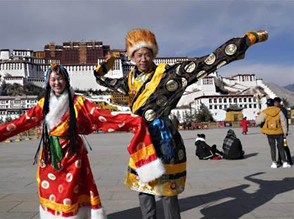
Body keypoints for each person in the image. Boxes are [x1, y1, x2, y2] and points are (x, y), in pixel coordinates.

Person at [94, 28, 268, 218]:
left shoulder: (169, 74)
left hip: (165, 140)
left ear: (153, 55)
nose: (143, 59)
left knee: (167, 191)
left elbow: (206, 63)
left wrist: (246, 41)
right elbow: (103, 80)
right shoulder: (129, 80)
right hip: (142, 141)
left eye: (147, 54)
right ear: (132, 57)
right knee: (143, 190)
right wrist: (104, 67)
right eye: (138, 55)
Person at [0, 63, 165, 219]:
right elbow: (20, 123)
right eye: (53, 79)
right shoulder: (43, 105)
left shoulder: (78, 102)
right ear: (48, 82)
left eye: (60, 78)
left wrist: (132, 121)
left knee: (71, 195)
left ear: (66, 80)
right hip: (50, 158)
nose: (56, 83)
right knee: (50, 194)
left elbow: (102, 115)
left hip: (73, 158)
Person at [255, 98, 290, 168]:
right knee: (281, 147)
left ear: (267, 105)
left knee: (272, 147)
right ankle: (285, 162)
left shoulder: (265, 112)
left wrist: (261, 125)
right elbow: (283, 122)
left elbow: (258, 121)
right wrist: (285, 132)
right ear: (273, 104)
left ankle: (274, 163)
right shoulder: (279, 111)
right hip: (279, 132)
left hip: (269, 133)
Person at [274, 97, 292, 165]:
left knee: (284, 145)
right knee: (279, 145)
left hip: (282, 131)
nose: (275, 104)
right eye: (274, 103)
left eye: (276, 103)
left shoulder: (282, 109)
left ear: (279, 103)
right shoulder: (277, 109)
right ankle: (280, 160)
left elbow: (285, 121)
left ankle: (288, 160)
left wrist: (286, 131)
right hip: (278, 131)